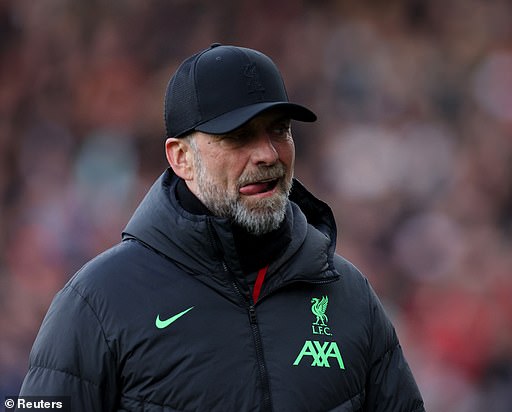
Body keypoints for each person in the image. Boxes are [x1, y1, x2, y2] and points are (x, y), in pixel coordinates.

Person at [19, 43, 425, 411]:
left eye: (279, 130)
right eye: (238, 136)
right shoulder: (98, 303)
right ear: (181, 158)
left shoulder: (348, 296)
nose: (267, 153)